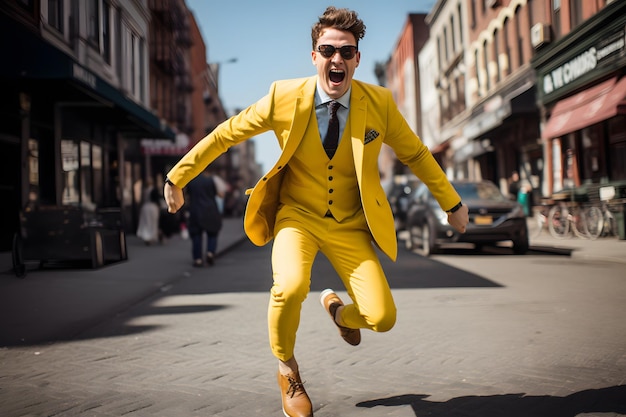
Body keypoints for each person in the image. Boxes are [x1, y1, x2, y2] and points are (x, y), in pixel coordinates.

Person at [163, 6, 469, 416]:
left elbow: (415, 153)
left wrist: (451, 202)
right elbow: (225, 134)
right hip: (297, 217)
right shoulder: (283, 97)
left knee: (382, 317)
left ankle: (342, 314)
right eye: (327, 50)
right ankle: (288, 369)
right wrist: (177, 177)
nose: (336, 59)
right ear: (314, 56)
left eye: (346, 51)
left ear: (357, 58)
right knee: (289, 288)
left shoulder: (378, 103)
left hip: (351, 224)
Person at [185, 168, 227, 267]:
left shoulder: (191, 180)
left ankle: (198, 259)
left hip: (195, 210)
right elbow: (221, 194)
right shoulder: (213, 179)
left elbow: (187, 196)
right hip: (210, 209)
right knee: (212, 233)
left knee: (196, 235)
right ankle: (210, 252)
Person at [136, 177, 161, 245]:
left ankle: (147, 236)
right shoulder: (153, 190)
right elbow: (157, 200)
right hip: (152, 207)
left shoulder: (145, 190)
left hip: (146, 207)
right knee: (152, 222)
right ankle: (150, 236)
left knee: (147, 222)